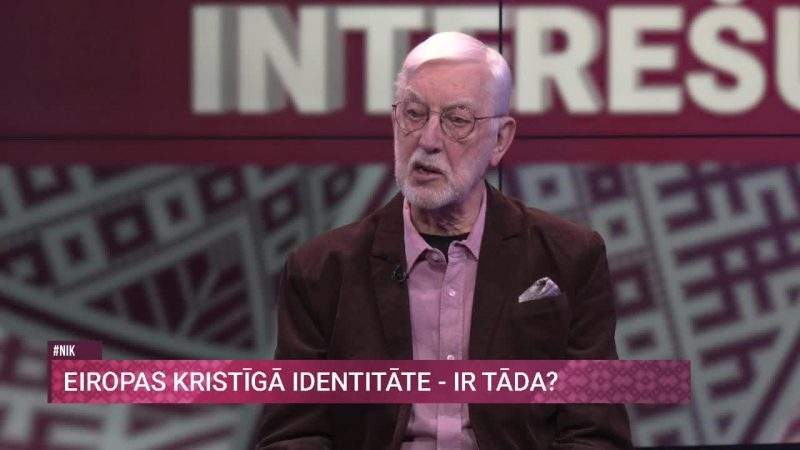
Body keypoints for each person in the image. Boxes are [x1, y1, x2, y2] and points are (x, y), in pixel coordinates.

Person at [255, 32, 632, 449]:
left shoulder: (569, 258)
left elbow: (594, 433)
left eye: (457, 120)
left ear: (500, 140)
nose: (428, 141)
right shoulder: (320, 272)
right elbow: (293, 435)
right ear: (394, 122)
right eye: (414, 114)